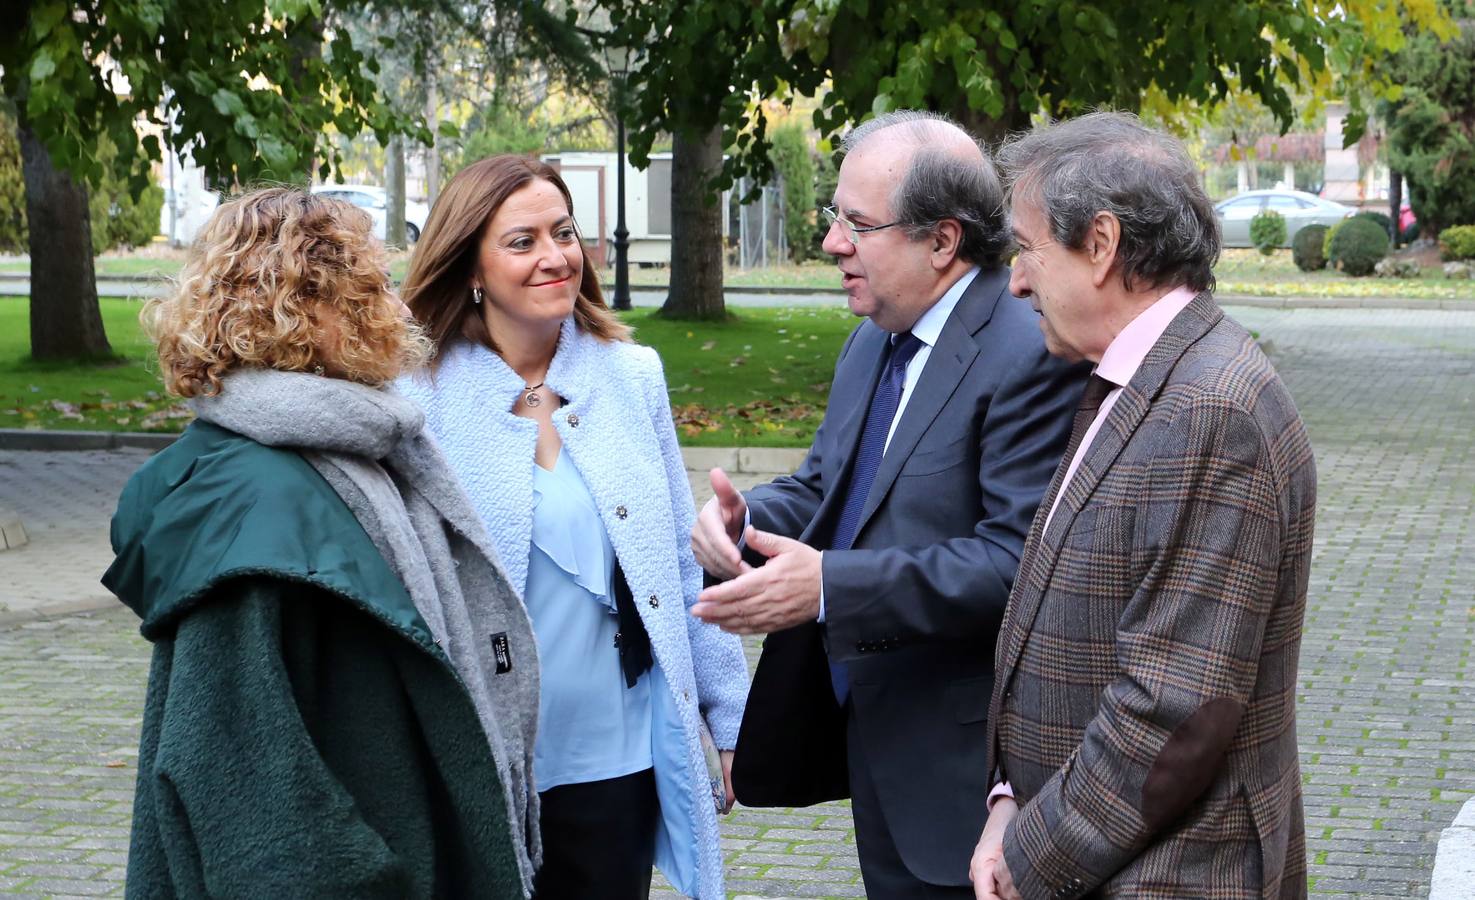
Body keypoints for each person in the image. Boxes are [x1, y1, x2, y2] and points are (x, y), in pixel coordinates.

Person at [689, 110, 1087, 896]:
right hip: (874, 745)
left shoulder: (1025, 354)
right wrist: (746, 522)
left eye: (857, 224)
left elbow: (1017, 566)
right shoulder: (874, 333)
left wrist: (829, 587)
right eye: (834, 216)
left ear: (941, 242)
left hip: (966, 781)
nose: (832, 242)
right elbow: (830, 486)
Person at [104, 187, 538, 898]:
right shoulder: (256, 499)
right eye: (371, 286)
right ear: (305, 307)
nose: (397, 310)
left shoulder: (345, 452)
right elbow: (248, 795)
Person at [971, 112, 1316, 899]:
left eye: (1026, 250)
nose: (1015, 280)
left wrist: (1030, 859)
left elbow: (1171, 715)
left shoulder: (1208, 411)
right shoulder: (1137, 378)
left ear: (1100, 245)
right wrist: (1006, 803)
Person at [395, 155, 749, 900]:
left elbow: (683, 563)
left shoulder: (630, 375)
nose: (555, 257)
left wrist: (729, 715)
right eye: (521, 241)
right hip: (487, 757)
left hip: (616, 755)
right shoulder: (414, 400)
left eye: (563, 233)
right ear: (472, 269)